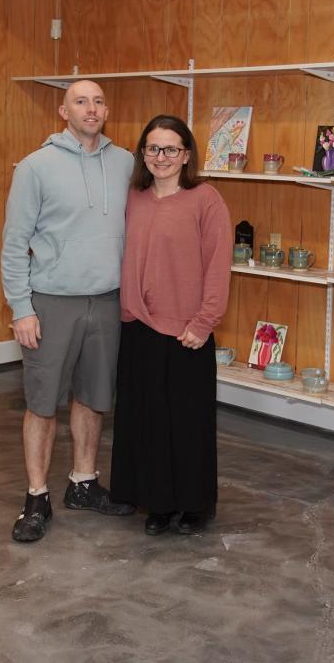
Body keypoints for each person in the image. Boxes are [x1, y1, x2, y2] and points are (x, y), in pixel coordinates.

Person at [1, 80, 136, 543]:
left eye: (99, 101)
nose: (91, 108)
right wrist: (22, 308)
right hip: (51, 302)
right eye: (81, 101)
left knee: (94, 397)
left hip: (107, 300)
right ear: (63, 110)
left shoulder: (125, 163)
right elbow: (15, 244)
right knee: (42, 403)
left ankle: (83, 481)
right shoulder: (35, 167)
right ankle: (36, 496)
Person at [110, 114, 233, 536]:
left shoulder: (206, 200)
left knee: (187, 422)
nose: (160, 157)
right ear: (143, 153)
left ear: (186, 155)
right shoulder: (134, 197)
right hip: (137, 326)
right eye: (152, 148)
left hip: (186, 331)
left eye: (170, 149)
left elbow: (218, 267)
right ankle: (158, 503)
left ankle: (193, 505)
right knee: (147, 420)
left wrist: (204, 321)